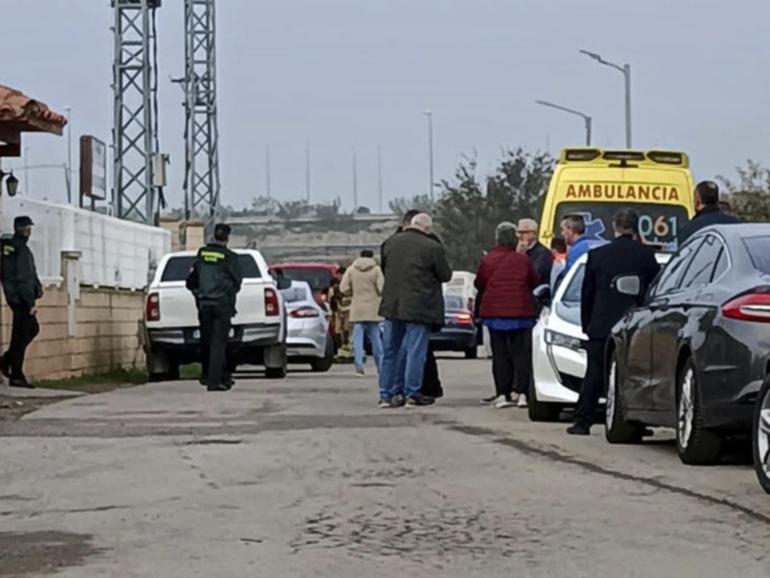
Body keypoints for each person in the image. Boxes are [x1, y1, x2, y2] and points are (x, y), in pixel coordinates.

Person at [568, 209, 660, 435]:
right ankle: (634, 423)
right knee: (631, 374)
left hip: (601, 324)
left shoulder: (598, 255)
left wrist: (587, 325)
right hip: (634, 325)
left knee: (594, 374)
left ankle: (582, 421)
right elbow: (654, 290)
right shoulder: (646, 256)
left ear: (614, 227)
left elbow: (587, 293)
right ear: (636, 227)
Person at [379, 213, 452, 407]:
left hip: (392, 304)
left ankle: (386, 394)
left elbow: (384, 269)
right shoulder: (432, 247)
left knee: (390, 351)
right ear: (427, 229)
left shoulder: (389, 243)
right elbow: (445, 275)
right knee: (415, 351)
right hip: (420, 306)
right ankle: (412, 392)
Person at [475, 222, 540, 409]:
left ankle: (502, 394)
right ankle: (522, 394)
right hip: (521, 313)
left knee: (500, 355)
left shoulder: (488, 260)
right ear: (515, 240)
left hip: (495, 313)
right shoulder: (523, 260)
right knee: (521, 354)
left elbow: (480, 283)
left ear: (497, 239)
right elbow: (533, 281)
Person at [186, 224, 243, 392]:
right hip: (222, 304)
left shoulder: (202, 254)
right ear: (227, 238)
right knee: (219, 343)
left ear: (213, 236)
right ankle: (214, 381)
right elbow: (237, 281)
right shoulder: (229, 257)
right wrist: (229, 296)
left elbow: (191, 280)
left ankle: (217, 376)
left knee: (207, 341)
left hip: (204, 305)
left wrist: (199, 295)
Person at [0, 216, 43, 388]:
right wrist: (30, 302)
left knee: (29, 330)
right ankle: (15, 373)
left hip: (13, 297)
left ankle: (7, 361)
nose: (29, 231)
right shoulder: (21, 250)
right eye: (28, 228)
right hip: (21, 299)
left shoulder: (9, 248)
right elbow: (24, 278)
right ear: (23, 229)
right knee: (22, 335)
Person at [340, 249, 384, 376]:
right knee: (376, 339)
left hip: (357, 308)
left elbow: (343, 288)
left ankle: (359, 366)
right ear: (372, 257)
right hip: (373, 309)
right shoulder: (376, 270)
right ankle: (380, 366)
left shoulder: (351, 269)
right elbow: (382, 288)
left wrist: (353, 293)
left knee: (357, 340)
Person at [517, 218, 553, 285]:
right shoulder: (516, 251)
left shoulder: (543, 253)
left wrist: (522, 256)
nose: (520, 236)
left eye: (524, 233)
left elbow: (535, 276)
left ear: (534, 234)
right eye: (518, 232)